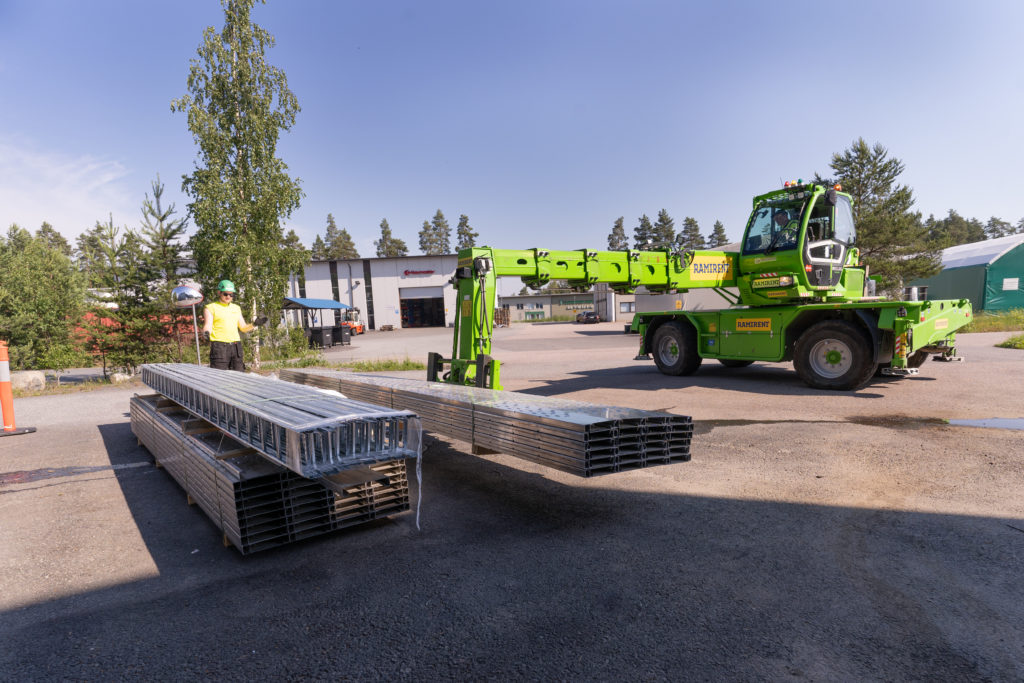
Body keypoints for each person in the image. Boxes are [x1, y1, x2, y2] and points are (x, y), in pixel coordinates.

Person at [202, 280, 267, 371]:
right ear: (219, 292)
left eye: (231, 294)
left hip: (236, 347)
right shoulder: (210, 307)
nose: (228, 296)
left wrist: (254, 324)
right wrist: (206, 332)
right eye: (225, 294)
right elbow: (207, 325)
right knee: (219, 378)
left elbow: (243, 328)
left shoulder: (236, 308)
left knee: (239, 377)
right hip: (219, 347)